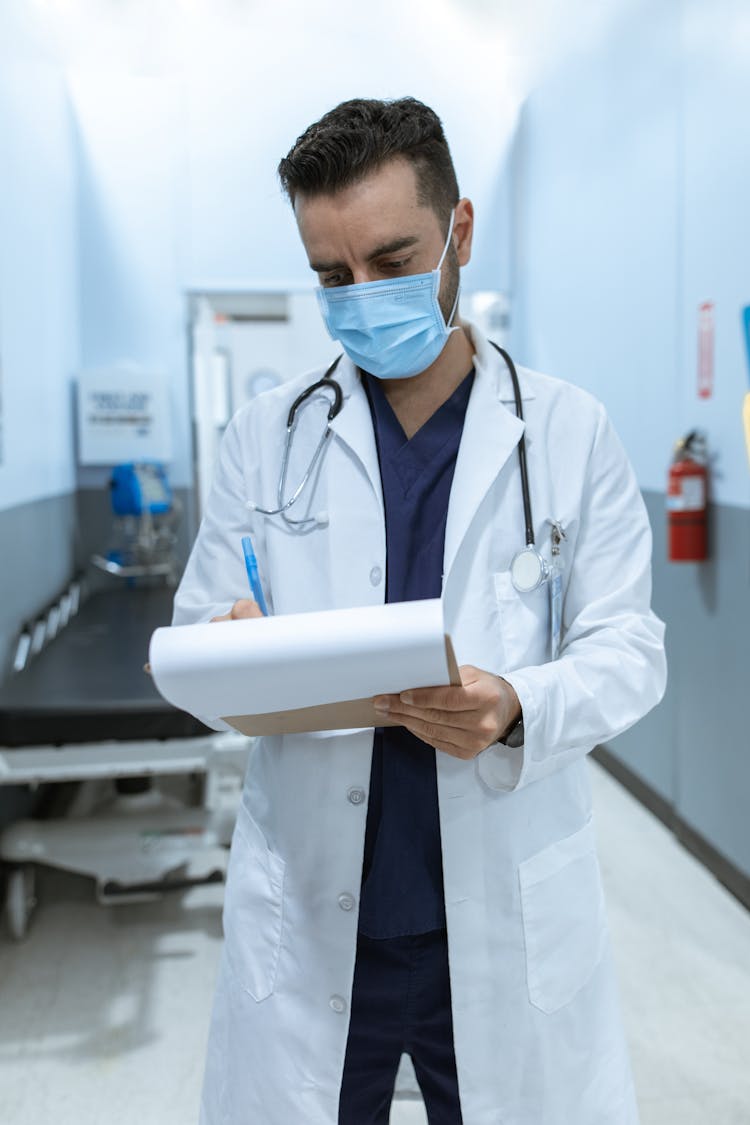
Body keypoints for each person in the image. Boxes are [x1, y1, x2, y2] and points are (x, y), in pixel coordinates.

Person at [173, 97, 667, 1125]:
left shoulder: (569, 434)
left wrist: (518, 702)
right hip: (314, 920)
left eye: (391, 260)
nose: (361, 297)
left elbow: (630, 649)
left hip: (499, 916)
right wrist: (227, 658)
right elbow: (200, 625)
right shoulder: (266, 437)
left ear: (461, 233)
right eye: (330, 276)